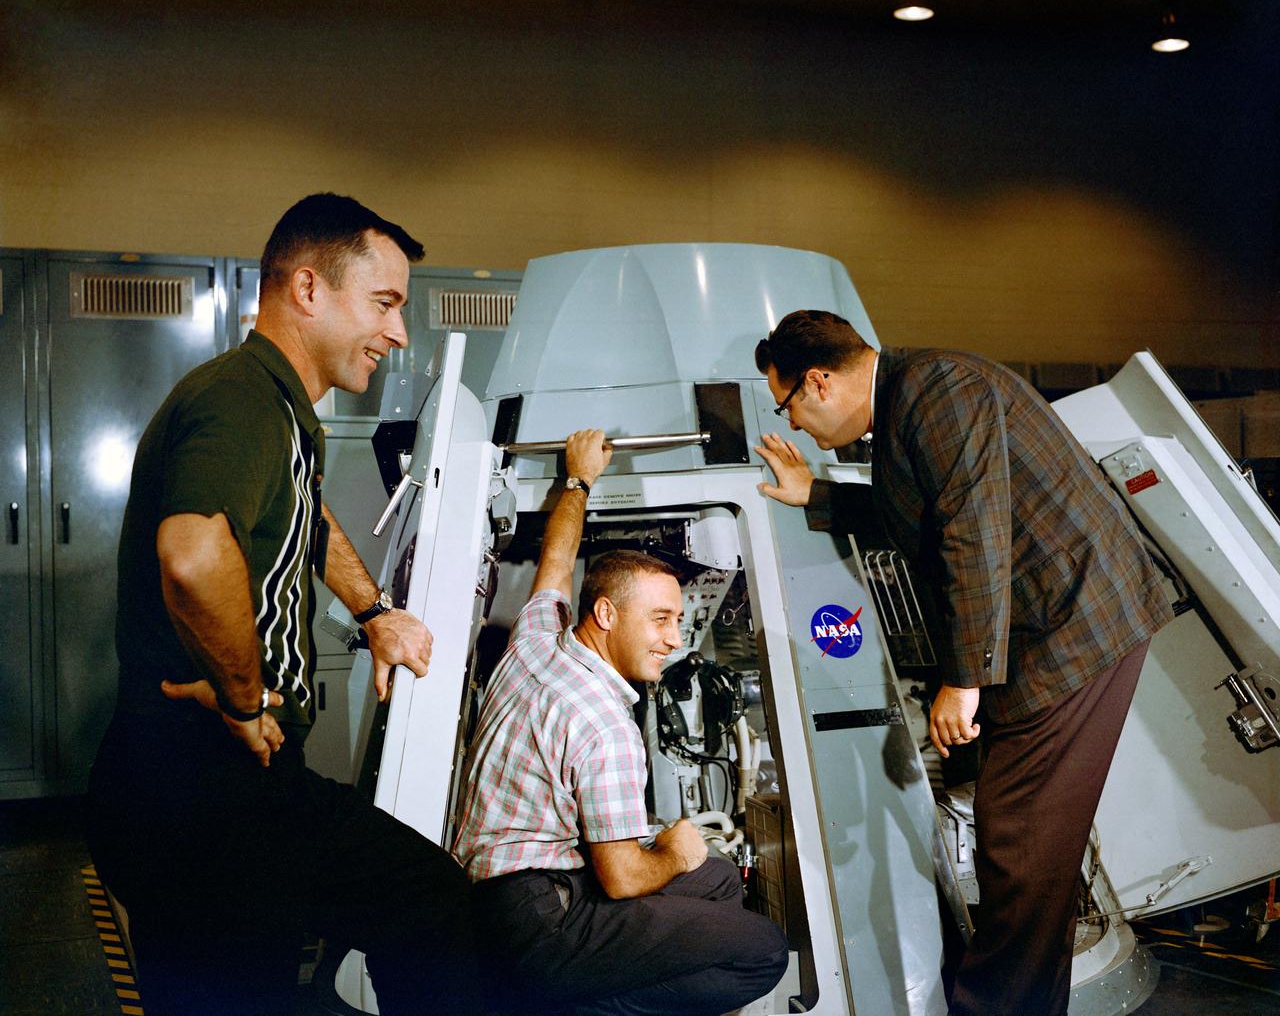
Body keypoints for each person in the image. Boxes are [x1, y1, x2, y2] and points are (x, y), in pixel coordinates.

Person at [86, 193, 481, 1015]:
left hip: (214, 783)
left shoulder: (279, 411)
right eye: (384, 303)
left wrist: (373, 613)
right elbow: (194, 554)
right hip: (202, 787)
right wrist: (242, 696)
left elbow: (302, 514)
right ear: (308, 289)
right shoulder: (241, 399)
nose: (399, 332)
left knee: (415, 911)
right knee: (435, 907)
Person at [753, 310, 1173, 1016]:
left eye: (786, 403)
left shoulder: (940, 388)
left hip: (1073, 626)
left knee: (1018, 845)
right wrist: (814, 495)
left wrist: (963, 680)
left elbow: (971, 532)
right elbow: (920, 508)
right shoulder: (911, 401)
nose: (791, 422)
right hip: (1047, 627)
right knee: (1021, 846)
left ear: (819, 382)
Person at [452, 429, 789, 1016]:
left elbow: (557, 562)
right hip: (536, 924)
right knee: (763, 951)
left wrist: (578, 481)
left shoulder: (537, 639)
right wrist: (674, 852)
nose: (674, 639)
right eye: (660, 619)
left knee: (718, 881)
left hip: (498, 895)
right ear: (607, 614)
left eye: (677, 620)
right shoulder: (607, 726)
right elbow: (624, 880)